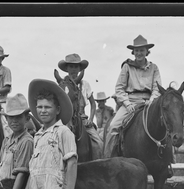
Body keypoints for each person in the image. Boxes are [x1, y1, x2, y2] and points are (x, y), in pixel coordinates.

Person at [104, 35, 173, 177]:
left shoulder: (154, 68)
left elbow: (156, 87)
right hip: (131, 101)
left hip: (149, 102)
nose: (139, 53)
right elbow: (119, 88)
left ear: (147, 51)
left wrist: (152, 100)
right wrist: (127, 104)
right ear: (133, 52)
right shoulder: (127, 67)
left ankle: (169, 162)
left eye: (142, 50)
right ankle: (109, 160)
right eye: (137, 51)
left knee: (167, 124)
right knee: (113, 127)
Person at [58, 53, 103, 159]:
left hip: (82, 119)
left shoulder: (85, 84)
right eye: (71, 66)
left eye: (76, 66)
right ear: (67, 68)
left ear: (79, 69)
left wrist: (91, 119)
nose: (73, 69)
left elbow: (93, 104)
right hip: (65, 120)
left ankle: (97, 164)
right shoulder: (62, 84)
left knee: (98, 143)